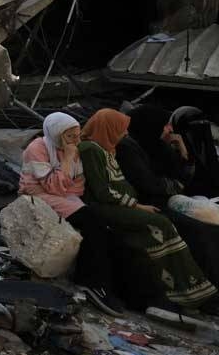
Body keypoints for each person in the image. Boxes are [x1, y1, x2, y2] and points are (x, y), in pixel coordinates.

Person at [78, 108, 218, 313]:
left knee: (193, 231)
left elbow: (180, 177)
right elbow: (111, 189)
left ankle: (196, 294)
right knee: (171, 228)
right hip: (126, 205)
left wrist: (182, 153)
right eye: (120, 129)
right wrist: (137, 204)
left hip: (139, 203)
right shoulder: (100, 149)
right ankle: (188, 295)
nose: (125, 134)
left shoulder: (116, 148)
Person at [18, 112, 125, 316]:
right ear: (56, 135)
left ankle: (109, 285)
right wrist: (66, 160)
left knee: (106, 225)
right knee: (93, 223)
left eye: (78, 136)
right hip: (37, 194)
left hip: (64, 196)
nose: (75, 142)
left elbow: (77, 186)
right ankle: (90, 282)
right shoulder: (38, 148)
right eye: (70, 137)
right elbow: (52, 186)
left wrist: (64, 179)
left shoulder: (73, 149)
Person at [118, 105, 219, 286]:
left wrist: (183, 151)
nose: (169, 129)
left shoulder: (158, 146)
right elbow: (149, 185)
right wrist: (177, 185)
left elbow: (183, 177)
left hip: (168, 200)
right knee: (200, 231)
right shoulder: (128, 149)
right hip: (149, 204)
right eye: (165, 125)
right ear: (150, 125)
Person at [170, 106, 219, 197]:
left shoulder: (206, 144)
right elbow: (185, 179)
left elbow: (213, 163)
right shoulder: (175, 150)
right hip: (196, 196)